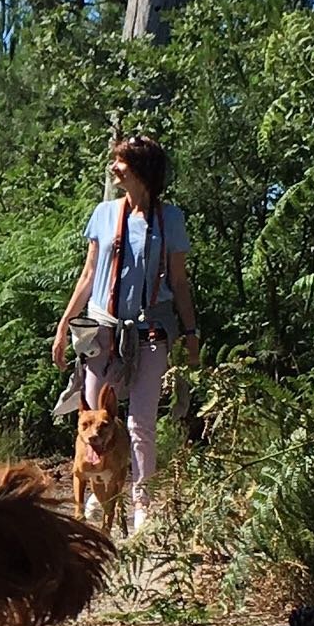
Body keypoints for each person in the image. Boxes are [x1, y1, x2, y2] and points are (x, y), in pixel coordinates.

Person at [52, 133, 200, 536]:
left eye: (121, 162)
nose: (114, 168)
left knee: (140, 425)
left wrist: (190, 333)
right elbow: (87, 275)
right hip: (101, 329)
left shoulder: (171, 220)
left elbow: (180, 282)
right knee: (92, 416)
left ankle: (142, 507)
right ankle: (96, 503)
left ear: (141, 170)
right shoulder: (104, 213)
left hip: (151, 331)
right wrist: (65, 324)